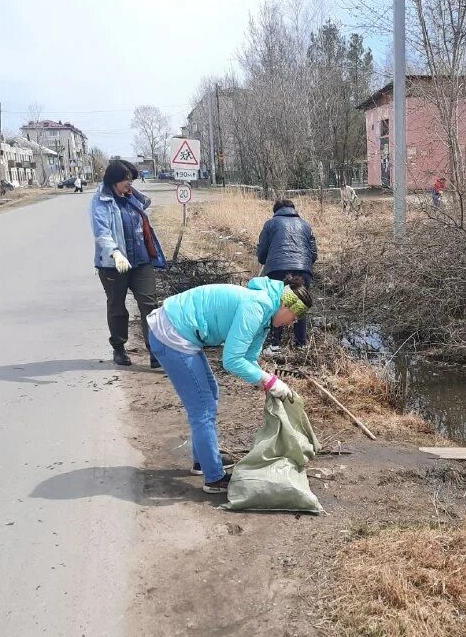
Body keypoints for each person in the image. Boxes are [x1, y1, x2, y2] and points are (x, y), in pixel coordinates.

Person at [147, 276, 313, 493]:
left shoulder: (265, 314)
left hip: (181, 332)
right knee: (203, 408)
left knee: (209, 395)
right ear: (285, 304)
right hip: (171, 333)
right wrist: (269, 381)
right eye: (293, 316)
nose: (291, 323)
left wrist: (266, 383)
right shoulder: (258, 306)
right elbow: (232, 360)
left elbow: (249, 359)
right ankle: (214, 478)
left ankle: (203, 461)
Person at [91, 160, 167, 368]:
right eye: (126, 180)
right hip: (113, 265)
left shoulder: (134, 197)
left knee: (150, 306)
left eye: (131, 179)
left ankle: (156, 352)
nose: (130, 183)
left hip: (141, 260)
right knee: (117, 307)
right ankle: (119, 348)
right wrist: (115, 253)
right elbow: (102, 232)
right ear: (114, 181)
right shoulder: (101, 201)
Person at [256, 199, 317, 354]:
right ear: (293, 209)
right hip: (303, 269)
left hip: (277, 269)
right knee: (299, 304)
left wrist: (268, 261)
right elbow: (314, 254)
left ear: (276, 210)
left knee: (277, 304)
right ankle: (301, 345)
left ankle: (275, 345)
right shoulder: (305, 225)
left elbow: (261, 254)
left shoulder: (270, 224)